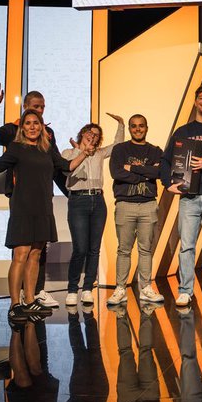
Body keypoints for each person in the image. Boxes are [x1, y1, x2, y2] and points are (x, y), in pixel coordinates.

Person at [0, 109, 89, 321]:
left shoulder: (47, 149)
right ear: (23, 127)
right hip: (23, 208)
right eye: (28, 123)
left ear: (42, 126)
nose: (32, 127)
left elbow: (67, 166)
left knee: (35, 254)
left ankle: (29, 301)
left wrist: (84, 153)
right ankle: (14, 304)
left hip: (43, 208)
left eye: (36, 123)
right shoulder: (17, 148)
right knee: (21, 255)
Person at [0, 82, 66, 307]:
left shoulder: (47, 134)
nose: (40, 110)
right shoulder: (13, 131)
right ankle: (16, 297)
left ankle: (36, 292)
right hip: (21, 196)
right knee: (21, 248)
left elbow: (55, 165)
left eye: (43, 107)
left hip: (42, 196)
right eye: (36, 106)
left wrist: (68, 192)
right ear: (26, 107)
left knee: (39, 249)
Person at [160, 85, 202, 307]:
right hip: (188, 197)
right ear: (196, 101)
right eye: (201, 98)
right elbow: (166, 160)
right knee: (187, 246)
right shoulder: (182, 131)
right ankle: (185, 290)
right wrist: (167, 184)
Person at [62, 114, 125, 306]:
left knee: (94, 249)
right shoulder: (68, 152)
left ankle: (88, 288)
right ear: (83, 133)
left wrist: (121, 124)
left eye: (97, 135)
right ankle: (72, 289)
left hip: (98, 201)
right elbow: (66, 170)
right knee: (80, 248)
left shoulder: (100, 153)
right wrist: (80, 151)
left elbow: (117, 146)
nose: (93, 136)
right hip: (78, 201)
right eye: (90, 133)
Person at [107, 114, 165, 305]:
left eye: (141, 126)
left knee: (145, 249)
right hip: (125, 204)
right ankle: (120, 288)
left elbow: (159, 172)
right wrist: (145, 173)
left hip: (148, 204)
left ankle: (145, 288)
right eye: (134, 126)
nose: (138, 129)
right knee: (124, 249)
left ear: (146, 128)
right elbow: (116, 172)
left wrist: (131, 168)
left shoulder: (155, 150)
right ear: (130, 128)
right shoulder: (120, 149)